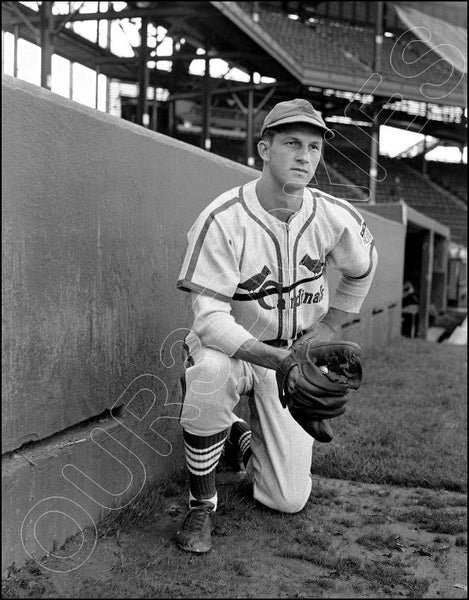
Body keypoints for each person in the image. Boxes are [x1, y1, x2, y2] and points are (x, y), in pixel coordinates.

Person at [175, 98, 378, 553]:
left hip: (292, 355)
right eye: (291, 143)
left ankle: (238, 439)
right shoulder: (222, 218)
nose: (304, 156)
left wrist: (332, 324)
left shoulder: (332, 215)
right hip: (230, 347)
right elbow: (209, 322)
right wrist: (275, 358)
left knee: (287, 499)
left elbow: (364, 264)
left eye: (314, 147)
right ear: (264, 149)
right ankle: (200, 506)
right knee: (208, 372)